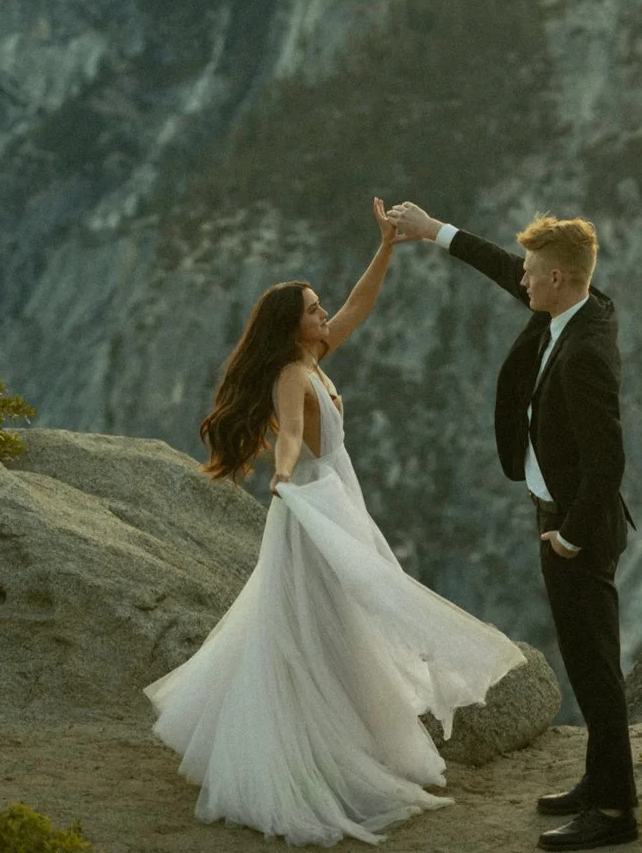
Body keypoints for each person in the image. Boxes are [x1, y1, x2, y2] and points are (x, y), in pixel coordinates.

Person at [145, 197, 524, 846]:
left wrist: (385, 247)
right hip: (316, 502)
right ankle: (310, 751)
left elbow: (359, 304)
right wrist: (285, 475)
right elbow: (289, 432)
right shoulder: (293, 374)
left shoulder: (313, 356)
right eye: (314, 310)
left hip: (333, 497)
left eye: (321, 307)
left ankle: (336, 737)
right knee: (324, 621)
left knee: (333, 620)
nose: (326, 314)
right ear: (293, 329)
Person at [389, 203, 637, 850]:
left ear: (556, 279)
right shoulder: (580, 305)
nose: (520, 282)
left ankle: (613, 813)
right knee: (588, 663)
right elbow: (507, 267)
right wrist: (433, 230)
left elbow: (608, 460)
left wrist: (570, 535)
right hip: (555, 514)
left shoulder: (583, 350)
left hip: (573, 529)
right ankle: (598, 782)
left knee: (594, 670)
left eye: (531, 274)